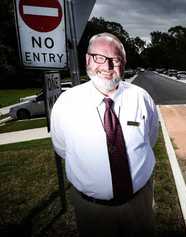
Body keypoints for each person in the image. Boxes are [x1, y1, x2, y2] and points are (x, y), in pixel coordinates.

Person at [50, 32, 159, 237]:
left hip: (139, 203)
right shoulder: (66, 104)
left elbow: (151, 138)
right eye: (99, 57)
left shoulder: (141, 98)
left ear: (124, 63)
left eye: (115, 60)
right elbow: (62, 148)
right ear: (87, 59)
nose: (107, 67)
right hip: (92, 210)